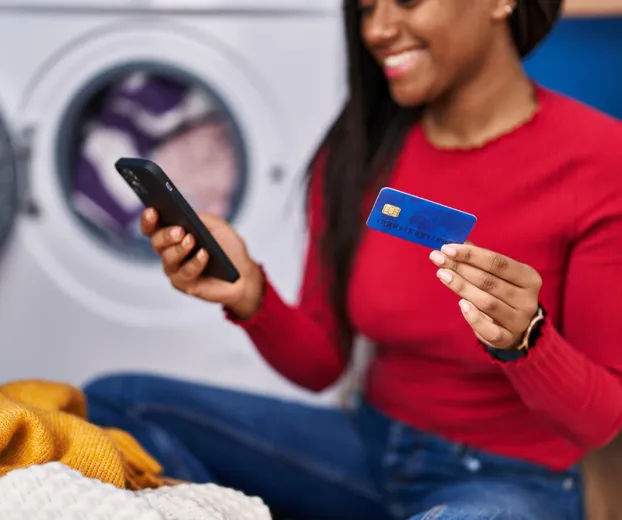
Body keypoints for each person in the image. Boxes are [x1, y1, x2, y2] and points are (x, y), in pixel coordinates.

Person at [83, 0, 622, 519]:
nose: (378, 29)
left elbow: (600, 421)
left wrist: (527, 339)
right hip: (368, 448)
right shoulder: (360, 146)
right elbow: (322, 366)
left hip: (508, 478)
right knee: (114, 404)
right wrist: (251, 295)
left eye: (406, 1)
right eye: (365, 9)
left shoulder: (599, 160)